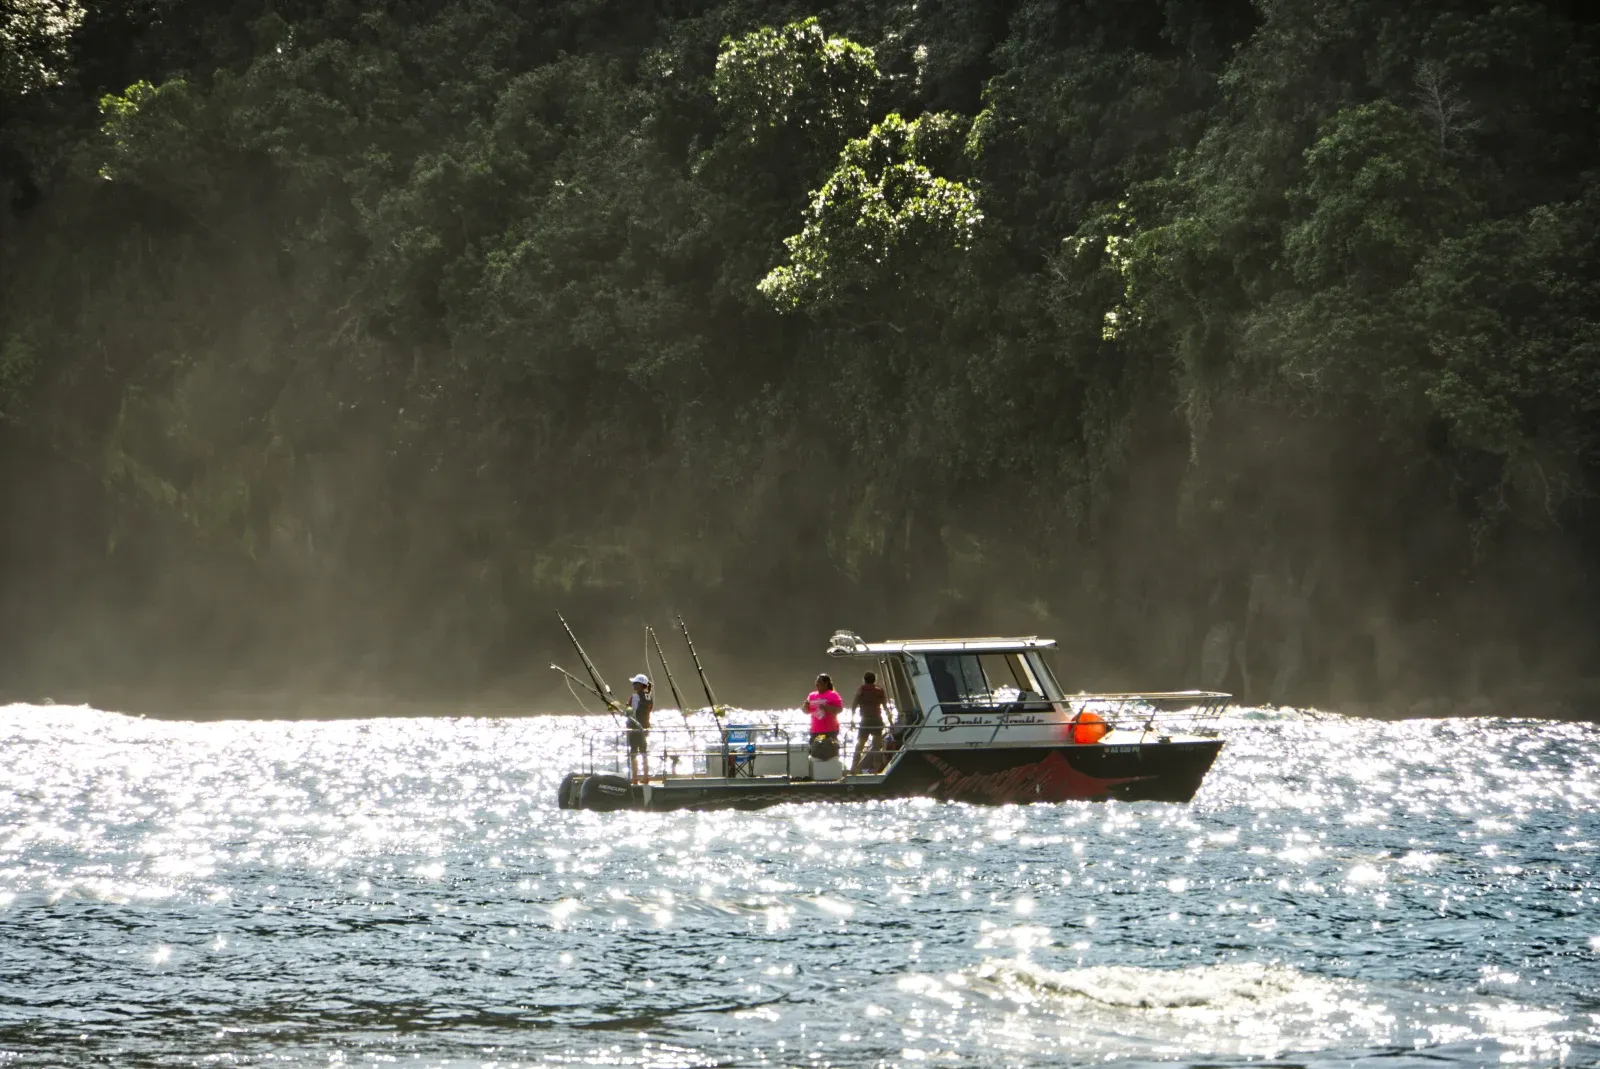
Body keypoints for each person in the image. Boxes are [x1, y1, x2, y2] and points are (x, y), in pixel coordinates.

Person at [850, 670, 889, 773]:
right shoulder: (880, 690)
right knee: (877, 746)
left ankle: (854, 767)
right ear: (875, 680)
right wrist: (891, 720)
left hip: (865, 720)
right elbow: (885, 707)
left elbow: (854, 706)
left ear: (864, 680)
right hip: (877, 719)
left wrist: (852, 720)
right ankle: (876, 770)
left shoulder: (861, 690)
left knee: (860, 744)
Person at [804, 673, 843, 762]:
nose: (817, 683)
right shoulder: (812, 695)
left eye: (819, 681)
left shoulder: (833, 695)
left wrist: (826, 707)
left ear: (826, 683)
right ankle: (816, 772)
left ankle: (832, 769)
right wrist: (805, 706)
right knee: (814, 752)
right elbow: (806, 711)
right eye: (816, 681)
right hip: (816, 730)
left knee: (832, 753)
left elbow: (839, 709)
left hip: (830, 730)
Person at [626, 673, 653, 782]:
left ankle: (635, 778)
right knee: (644, 752)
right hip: (645, 728)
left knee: (633, 753)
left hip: (635, 728)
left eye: (635, 683)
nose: (633, 685)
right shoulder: (649, 697)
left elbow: (631, 712)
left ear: (641, 685)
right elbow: (648, 710)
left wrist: (626, 707)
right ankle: (646, 777)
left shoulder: (635, 697)